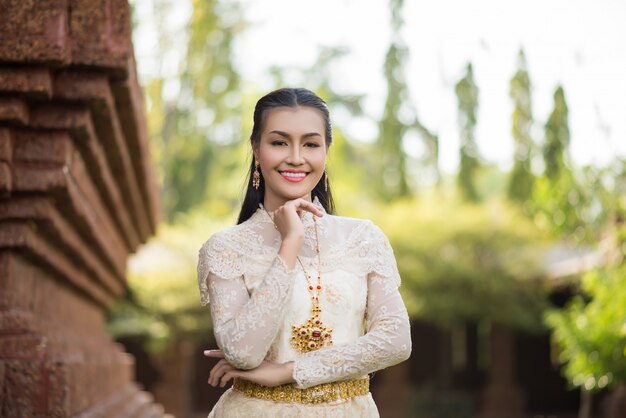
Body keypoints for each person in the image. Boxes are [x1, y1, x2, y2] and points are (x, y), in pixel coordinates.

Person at [197, 87, 411, 417]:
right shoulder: (226, 248)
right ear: (256, 149)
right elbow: (242, 353)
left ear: (326, 151)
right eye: (279, 142)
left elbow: (396, 340)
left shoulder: (363, 237)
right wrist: (289, 243)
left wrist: (288, 371)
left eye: (310, 144)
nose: (296, 157)